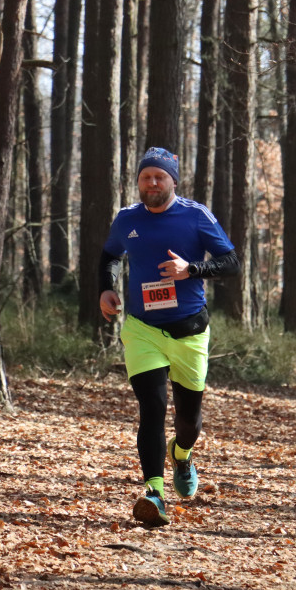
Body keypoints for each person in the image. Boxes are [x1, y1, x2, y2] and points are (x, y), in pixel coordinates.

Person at [99, 147, 239, 528]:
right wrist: (107, 288)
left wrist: (190, 268)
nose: (153, 183)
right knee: (152, 408)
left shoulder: (195, 216)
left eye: (160, 176)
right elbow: (109, 256)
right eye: (147, 177)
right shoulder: (127, 219)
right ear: (140, 182)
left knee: (189, 421)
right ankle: (154, 493)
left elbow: (231, 263)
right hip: (142, 329)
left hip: (189, 332)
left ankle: (183, 455)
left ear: (173, 181)